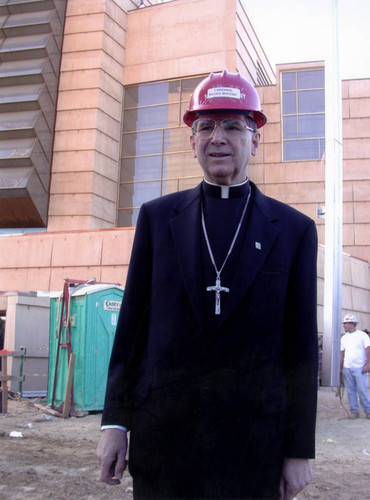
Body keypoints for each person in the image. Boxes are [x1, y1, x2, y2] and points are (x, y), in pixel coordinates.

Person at [96, 70, 318, 500]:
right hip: (164, 441)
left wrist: (297, 450)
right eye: (206, 126)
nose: (218, 137)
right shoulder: (158, 219)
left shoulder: (293, 230)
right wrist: (115, 424)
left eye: (233, 126)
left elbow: (301, 351)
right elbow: (131, 333)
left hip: (254, 447)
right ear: (191, 139)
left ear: (255, 139)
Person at [340, 313, 370, 419]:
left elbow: (368, 350)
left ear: (352, 323)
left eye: (346, 324)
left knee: (362, 390)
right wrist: (340, 366)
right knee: (350, 391)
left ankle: (368, 411)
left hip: (359, 367)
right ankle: (354, 412)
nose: (344, 326)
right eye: (344, 324)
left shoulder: (363, 336)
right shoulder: (344, 338)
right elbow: (342, 352)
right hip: (347, 367)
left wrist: (367, 365)